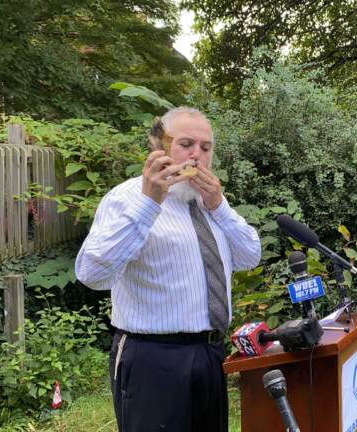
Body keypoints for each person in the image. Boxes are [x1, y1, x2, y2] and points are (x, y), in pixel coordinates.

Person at [75, 107, 261, 432]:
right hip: (152, 357)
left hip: (211, 352)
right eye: (186, 144)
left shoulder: (209, 203)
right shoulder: (127, 198)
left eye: (205, 147)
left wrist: (219, 205)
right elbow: (92, 272)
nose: (197, 156)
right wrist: (149, 203)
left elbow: (250, 256)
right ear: (159, 147)